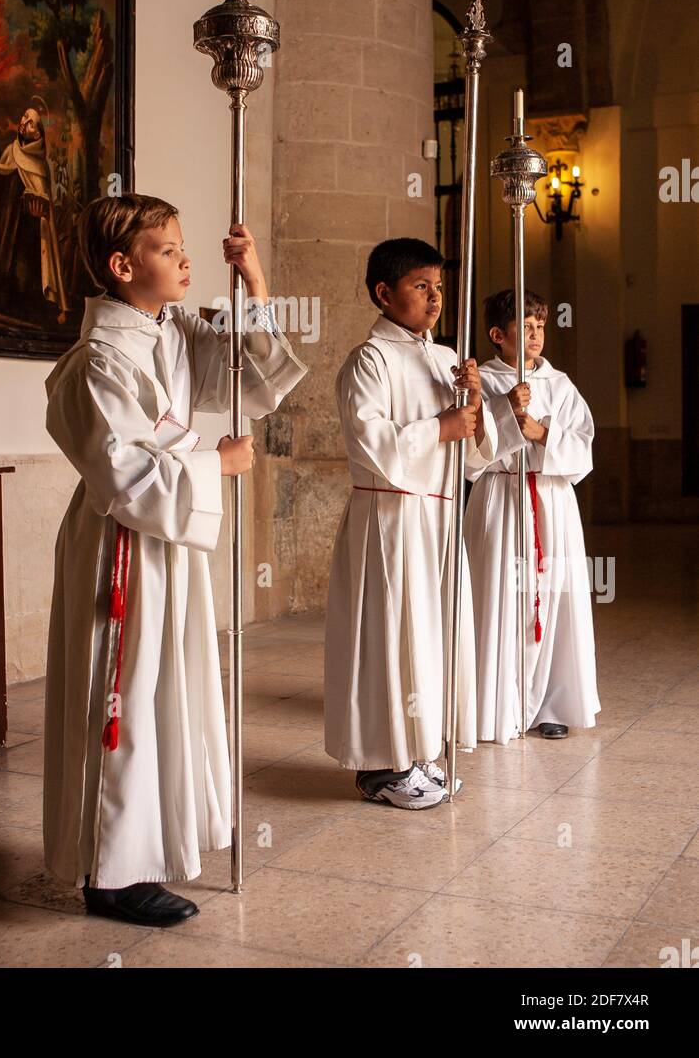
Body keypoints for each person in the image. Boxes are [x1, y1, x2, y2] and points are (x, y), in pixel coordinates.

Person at [42, 192, 307, 926]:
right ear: (122, 266)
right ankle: (109, 873)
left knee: (166, 694)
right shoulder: (95, 361)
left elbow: (254, 383)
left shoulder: (177, 329)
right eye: (168, 249)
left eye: (185, 245)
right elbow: (121, 473)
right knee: (122, 697)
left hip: (173, 541)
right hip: (123, 544)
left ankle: (151, 850)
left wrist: (253, 283)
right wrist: (212, 466)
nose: (186, 259)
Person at [324, 238, 497, 809]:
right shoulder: (367, 361)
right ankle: (383, 766)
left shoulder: (447, 360)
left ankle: (421, 751)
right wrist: (440, 428)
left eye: (440, 287)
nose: (436, 298)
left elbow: (474, 458)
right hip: (391, 516)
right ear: (384, 293)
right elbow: (370, 442)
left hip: (438, 515)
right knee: (392, 634)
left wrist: (474, 408)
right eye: (422, 286)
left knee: (430, 635)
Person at [464, 288, 600, 743]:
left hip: (551, 500)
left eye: (540, 325)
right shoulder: (479, 380)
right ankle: (493, 703)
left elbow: (583, 448)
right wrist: (505, 412)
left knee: (554, 598)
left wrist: (542, 432)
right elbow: (468, 456)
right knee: (496, 595)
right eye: (524, 327)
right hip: (500, 499)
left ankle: (552, 703)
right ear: (496, 335)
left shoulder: (560, 385)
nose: (536, 334)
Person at [0, 105, 68, 321]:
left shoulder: (40, 166)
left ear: (38, 134)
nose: (24, 122)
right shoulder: (11, 151)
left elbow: (46, 209)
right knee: (1, 268)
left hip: (28, 232)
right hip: (6, 223)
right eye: (24, 116)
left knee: (23, 278)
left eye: (31, 121)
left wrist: (39, 214)